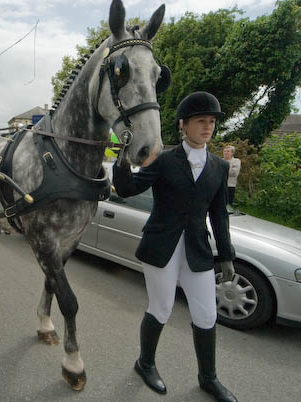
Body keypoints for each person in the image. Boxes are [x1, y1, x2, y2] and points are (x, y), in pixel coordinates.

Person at [113, 92, 238, 402]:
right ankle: (145, 363)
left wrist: (226, 254)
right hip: (162, 247)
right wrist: (121, 158)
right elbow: (128, 189)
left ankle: (208, 378)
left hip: (197, 249)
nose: (208, 127)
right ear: (184, 125)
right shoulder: (165, 160)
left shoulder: (219, 168)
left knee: (206, 314)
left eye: (211, 122)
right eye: (201, 121)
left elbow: (219, 214)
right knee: (162, 307)